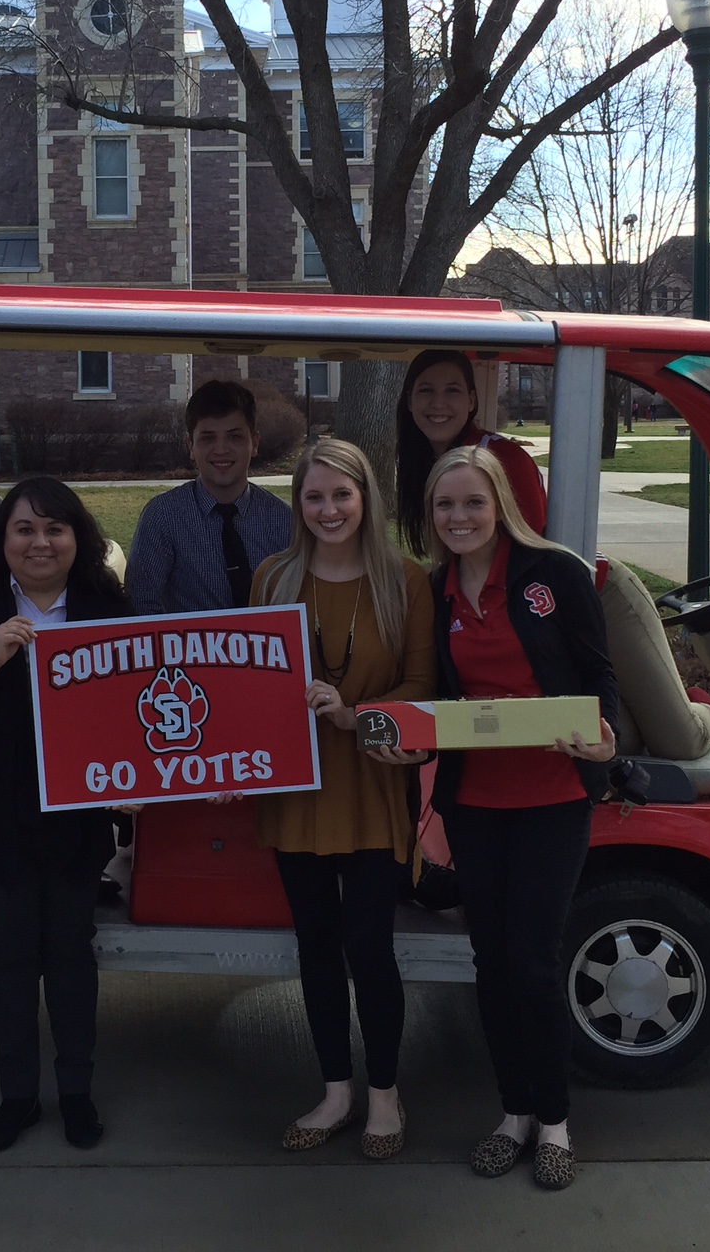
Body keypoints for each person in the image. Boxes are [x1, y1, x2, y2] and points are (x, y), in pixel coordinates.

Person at [0, 477, 134, 1154]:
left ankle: (75, 1093)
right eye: (25, 530)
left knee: (70, 954)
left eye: (55, 529)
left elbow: (137, 699)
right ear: (2, 539)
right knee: (10, 958)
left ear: (79, 540)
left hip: (75, 817)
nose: (40, 543)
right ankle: (16, 1097)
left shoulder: (103, 603)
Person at [423, 444, 617, 1192]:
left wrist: (603, 737)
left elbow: (598, 673)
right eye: (446, 506)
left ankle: (556, 1120)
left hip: (551, 798)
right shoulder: (434, 591)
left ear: (499, 503)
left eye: (473, 502)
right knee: (490, 964)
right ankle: (512, 1114)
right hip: (475, 804)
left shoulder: (553, 575)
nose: (460, 517)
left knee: (534, 966)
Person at [251, 439, 435, 1159]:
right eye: (314, 496)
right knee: (317, 951)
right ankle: (335, 1092)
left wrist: (355, 716)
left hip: (370, 788)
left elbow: (423, 685)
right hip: (296, 793)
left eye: (341, 495)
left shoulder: (403, 581)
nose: (328, 509)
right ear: (298, 504)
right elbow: (248, 682)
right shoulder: (273, 578)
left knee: (369, 946)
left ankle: (385, 1094)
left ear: (366, 499)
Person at [126, 378, 291, 614]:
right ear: (190, 446)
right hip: (186, 649)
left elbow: (297, 600)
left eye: (234, 436)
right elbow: (141, 603)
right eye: (208, 438)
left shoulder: (283, 520)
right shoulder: (162, 517)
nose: (221, 449)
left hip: (269, 647)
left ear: (254, 443)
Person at [395, 348, 547, 548]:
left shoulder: (506, 459)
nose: (438, 403)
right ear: (409, 401)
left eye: (452, 390)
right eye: (426, 390)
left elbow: (531, 547)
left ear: (471, 400)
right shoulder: (417, 457)